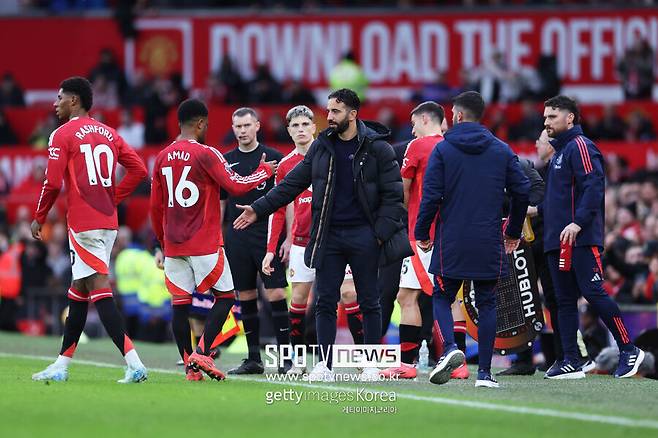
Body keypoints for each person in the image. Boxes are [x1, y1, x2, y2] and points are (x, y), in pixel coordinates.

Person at [234, 88, 408, 382]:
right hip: (329, 236)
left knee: (370, 300)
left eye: (336, 111)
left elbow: (394, 196)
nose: (329, 117)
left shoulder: (378, 148)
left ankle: (370, 364)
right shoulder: (322, 147)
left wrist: (378, 235)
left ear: (353, 114)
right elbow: (291, 185)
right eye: (328, 110)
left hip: (365, 236)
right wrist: (257, 209)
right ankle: (324, 365)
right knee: (326, 300)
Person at [30, 76, 148, 383]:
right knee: (79, 290)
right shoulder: (110, 133)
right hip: (108, 222)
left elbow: (52, 182)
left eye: (59, 98)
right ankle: (61, 365)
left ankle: (134, 362)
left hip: (84, 223)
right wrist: (113, 198)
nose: (55, 103)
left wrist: (39, 216)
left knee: (98, 289)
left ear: (74, 101)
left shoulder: (62, 134)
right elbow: (139, 170)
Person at [150, 99, 276, 381]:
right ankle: (202, 352)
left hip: (173, 244)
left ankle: (189, 367)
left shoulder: (161, 157)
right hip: (203, 241)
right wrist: (264, 172)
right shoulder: (207, 153)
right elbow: (235, 185)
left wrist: (160, 243)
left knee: (179, 305)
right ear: (201, 124)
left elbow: (155, 208)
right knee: (226, 297)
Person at [415, 91, 530, 388]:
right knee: (488, 302)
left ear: (459, 116)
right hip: (488, 238)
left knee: (442, 295)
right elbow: (522, 190)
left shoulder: (443, 149)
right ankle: (485, 374)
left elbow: (431, 197)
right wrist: (513, 231)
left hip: (451, 238)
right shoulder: (501, 150)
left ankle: (452, 349)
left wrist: (421, 233)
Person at [531, 95, 645, 379]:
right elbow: (557, 202)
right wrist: (534, 211)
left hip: (578, 239)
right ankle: (571, 358)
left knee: (594, 293)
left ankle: (629, 350)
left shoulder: (580, 146)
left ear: (570, 118)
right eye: (545, 117)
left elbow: (593, 186)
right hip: (557, 240)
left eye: (552, 117)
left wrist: (578, 223)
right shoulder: (558, 153)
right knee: (564, 300)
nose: (546, 123)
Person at [262, 105, 364, 375]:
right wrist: (271, 248)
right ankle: (298, 361)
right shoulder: (285, 166)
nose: (300, 130)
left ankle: (365, 359)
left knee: (348, 293)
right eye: (295, 126)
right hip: (302, 242)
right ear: (288, 131)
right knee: (299, 299)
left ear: (314, 127)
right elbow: (279, 208)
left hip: (335, 238)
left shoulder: (332, 154)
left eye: (305, 125)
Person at [379, 102, 468, 380]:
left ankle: (407, 363)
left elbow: (403, 193)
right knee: (450, 295)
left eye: (414, 122)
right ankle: (461, 363)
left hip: (421, 234)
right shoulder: (454, 147)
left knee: (406, 296)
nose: (412, 127)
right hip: (451, 231)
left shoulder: (417, 147)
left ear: (426, 118)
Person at [220, 107, 289, 375]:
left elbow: (288, 200)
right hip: (236, 236)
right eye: (237, 126)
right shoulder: (226, 161)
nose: (242, 131)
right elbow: (221, 202)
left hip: (268, 233)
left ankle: (286, 358)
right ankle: (253, 359)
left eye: (247, 125)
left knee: (276, 293)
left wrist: (289, 238)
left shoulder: (274, 159)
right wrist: (219, 238)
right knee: (245, 295)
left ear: (258, 126)